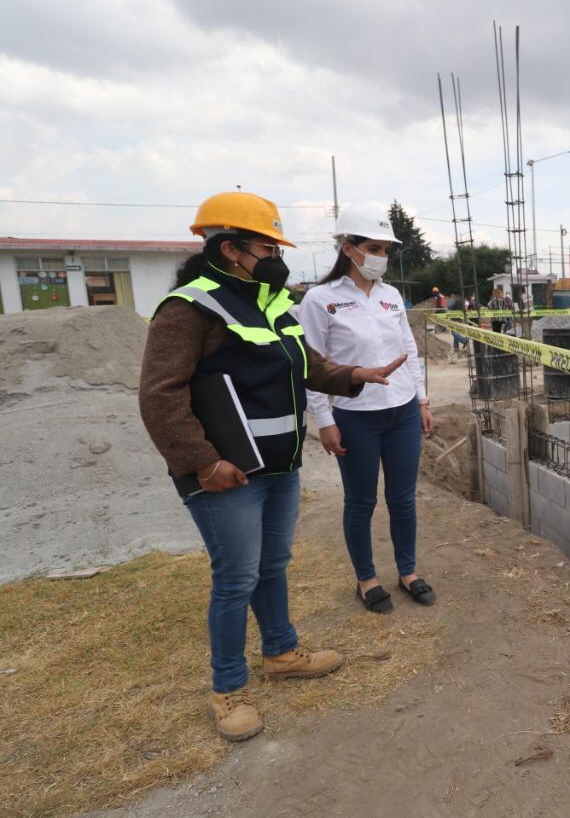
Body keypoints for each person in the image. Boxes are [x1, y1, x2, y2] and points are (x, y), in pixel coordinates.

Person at [139, 191, 408, 743]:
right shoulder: (189, 308)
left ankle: (281, 653)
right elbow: (160, 397)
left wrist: (355, 376)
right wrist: (202, 463)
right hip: (226, 474)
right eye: (267, 245)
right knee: (236, 578)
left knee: (272, 565)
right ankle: (228, 688)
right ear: (231, 248)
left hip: (278, 463)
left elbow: (306, 364)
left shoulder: (270, 302)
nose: (275, 255)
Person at [298, 202, 437, 617]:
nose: (381, 257)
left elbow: (408, 350)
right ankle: (367, 579)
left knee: (403, 499)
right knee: (361, 502)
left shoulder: (391, 296)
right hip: (355, 417)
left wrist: (422, 398)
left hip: (402, 414)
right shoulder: (320, 300)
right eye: (373, 247)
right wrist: (324, 420)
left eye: (386, 249)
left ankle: (408, 573)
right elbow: (313, 364)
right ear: (348, 248)